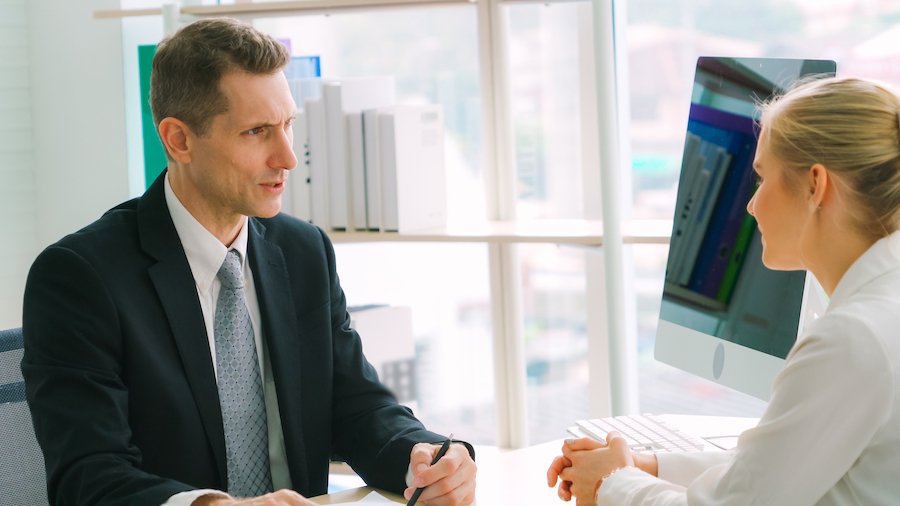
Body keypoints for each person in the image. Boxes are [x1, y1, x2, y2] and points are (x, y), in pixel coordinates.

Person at [22, 17, 476, 506]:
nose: (287, 157)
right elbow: (88, 476)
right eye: (257, 131)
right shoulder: (80, 276)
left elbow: (356, 407)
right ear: (179, 140)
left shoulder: (303, 252)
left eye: (288, 125)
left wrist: (425, 455)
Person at [547, 76, 900, 505]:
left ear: (815, 185)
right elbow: (772, 469)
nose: (752, 204)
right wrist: (644, 467)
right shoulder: (879, 310)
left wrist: (613, 483)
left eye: (761, 177)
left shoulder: (851, 339)